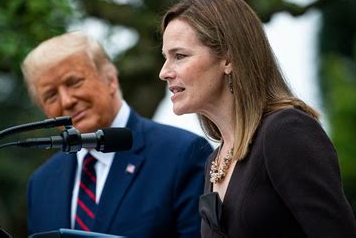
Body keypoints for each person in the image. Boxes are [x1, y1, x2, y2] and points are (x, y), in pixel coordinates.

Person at [159, 0, 356, 238]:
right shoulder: (215, 161)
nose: (164, 72)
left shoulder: (286, 131)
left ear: (228, 58)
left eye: (179, 56)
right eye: (165, 58)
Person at [21, 31, 212, 237]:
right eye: (51, 95)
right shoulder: (40, 184)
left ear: (110, 79)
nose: (66, 101)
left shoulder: (182, 154)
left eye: (73, 82)